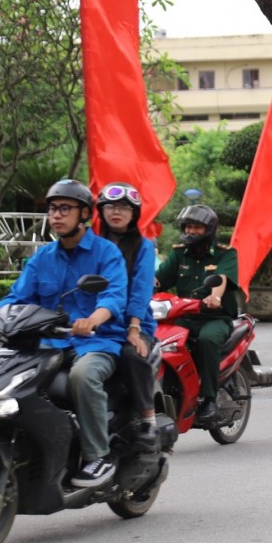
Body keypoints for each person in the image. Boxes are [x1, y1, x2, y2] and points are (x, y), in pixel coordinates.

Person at [0, 179, 129, 488]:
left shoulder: (106, 253)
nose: (56, 215)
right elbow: (18, 297)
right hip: (48, 344)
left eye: (65, 209)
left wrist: (93, 318)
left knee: (82, 377)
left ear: (84, 215)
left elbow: (114, 297)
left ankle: (98, 457)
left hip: (96, 342)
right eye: (52, 209)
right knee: (11, 380)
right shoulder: (43, 258)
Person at [154, 204, 239, 422]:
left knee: (208, 340)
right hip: (184, 317)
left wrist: (215, 297)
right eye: (188, 226)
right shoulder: (179, 253)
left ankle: (209, 399)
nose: (191, 231)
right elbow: (159, 280)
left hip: (215, 318)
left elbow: (221, 279)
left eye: (197, 227)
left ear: (209, 229)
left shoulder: (225, 253)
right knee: (159, 340)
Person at [97, 182, 159, 453]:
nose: (116, 212)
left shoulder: (143, 247)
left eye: (124, 207)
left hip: (132, 321)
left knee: (132, 355)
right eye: (111, 206)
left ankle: (147, 417)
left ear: (134, 214)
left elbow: (141, 289)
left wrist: (134, 327)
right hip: (94, 320)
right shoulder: (91, 244)